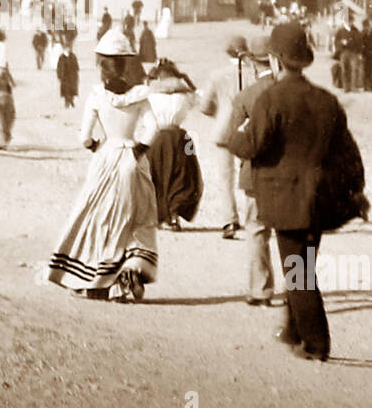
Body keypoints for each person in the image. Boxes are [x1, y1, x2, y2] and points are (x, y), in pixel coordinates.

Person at [227, 22, 364, 362]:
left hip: (282, 199)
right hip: (319, 198)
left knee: (298, 271)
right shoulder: (326, 101)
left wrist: (234, 136)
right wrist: (355, 191)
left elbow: (251, 146)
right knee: (303, 264)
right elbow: (348, 152)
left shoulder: (270, 99)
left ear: (274, 59)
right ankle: (293, 329)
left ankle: (317, 343)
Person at [45, 30, 158, 302]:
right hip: (132, 158)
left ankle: (95, 280)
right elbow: (153, 128)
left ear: (101, 65)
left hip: (105, 158)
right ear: (126, 64)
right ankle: (128, 273)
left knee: (99, 219)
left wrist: (98, 147)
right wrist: (137, 151)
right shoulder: (140, 95)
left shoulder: (96, 95)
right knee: (135, 220)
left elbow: (84, 137)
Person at [225, 34, 278, 305]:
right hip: (289, 175)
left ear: (252, 63)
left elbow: (231, 137)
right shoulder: (289, 91)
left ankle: (261, 290)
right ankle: (301, 294)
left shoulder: (245, 96)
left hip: (256, 174)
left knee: (257, 231)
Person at [199, 34, 263, 240]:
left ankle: (229, 221)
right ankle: (254, 218)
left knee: (225, 178)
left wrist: (219, 114)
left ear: (227, 51)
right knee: (250, 175)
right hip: (248, 130)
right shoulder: (254, 74)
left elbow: (204, 106)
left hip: (223, 130)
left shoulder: (217, 75)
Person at [143, 59, 201, 233]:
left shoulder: (150, 96)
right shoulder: (183, 97)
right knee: (183, 176)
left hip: (157, 137)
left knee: (157, 176)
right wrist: (186, 80)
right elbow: (198, 97)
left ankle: (159, 215)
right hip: (180, 137)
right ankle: (174, 214)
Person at [57, 38, 79, 108]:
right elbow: (59, 67)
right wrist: (59, 75)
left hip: (72, 76)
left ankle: (71, 100)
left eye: (69, 48)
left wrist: (76, 74)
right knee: (66, 90)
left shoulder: (73, 56)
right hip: (64, 77)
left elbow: (76, 66)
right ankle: (67, 102)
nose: (68, 49)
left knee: (72, 90)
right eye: (66, 48)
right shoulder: (61, 57)